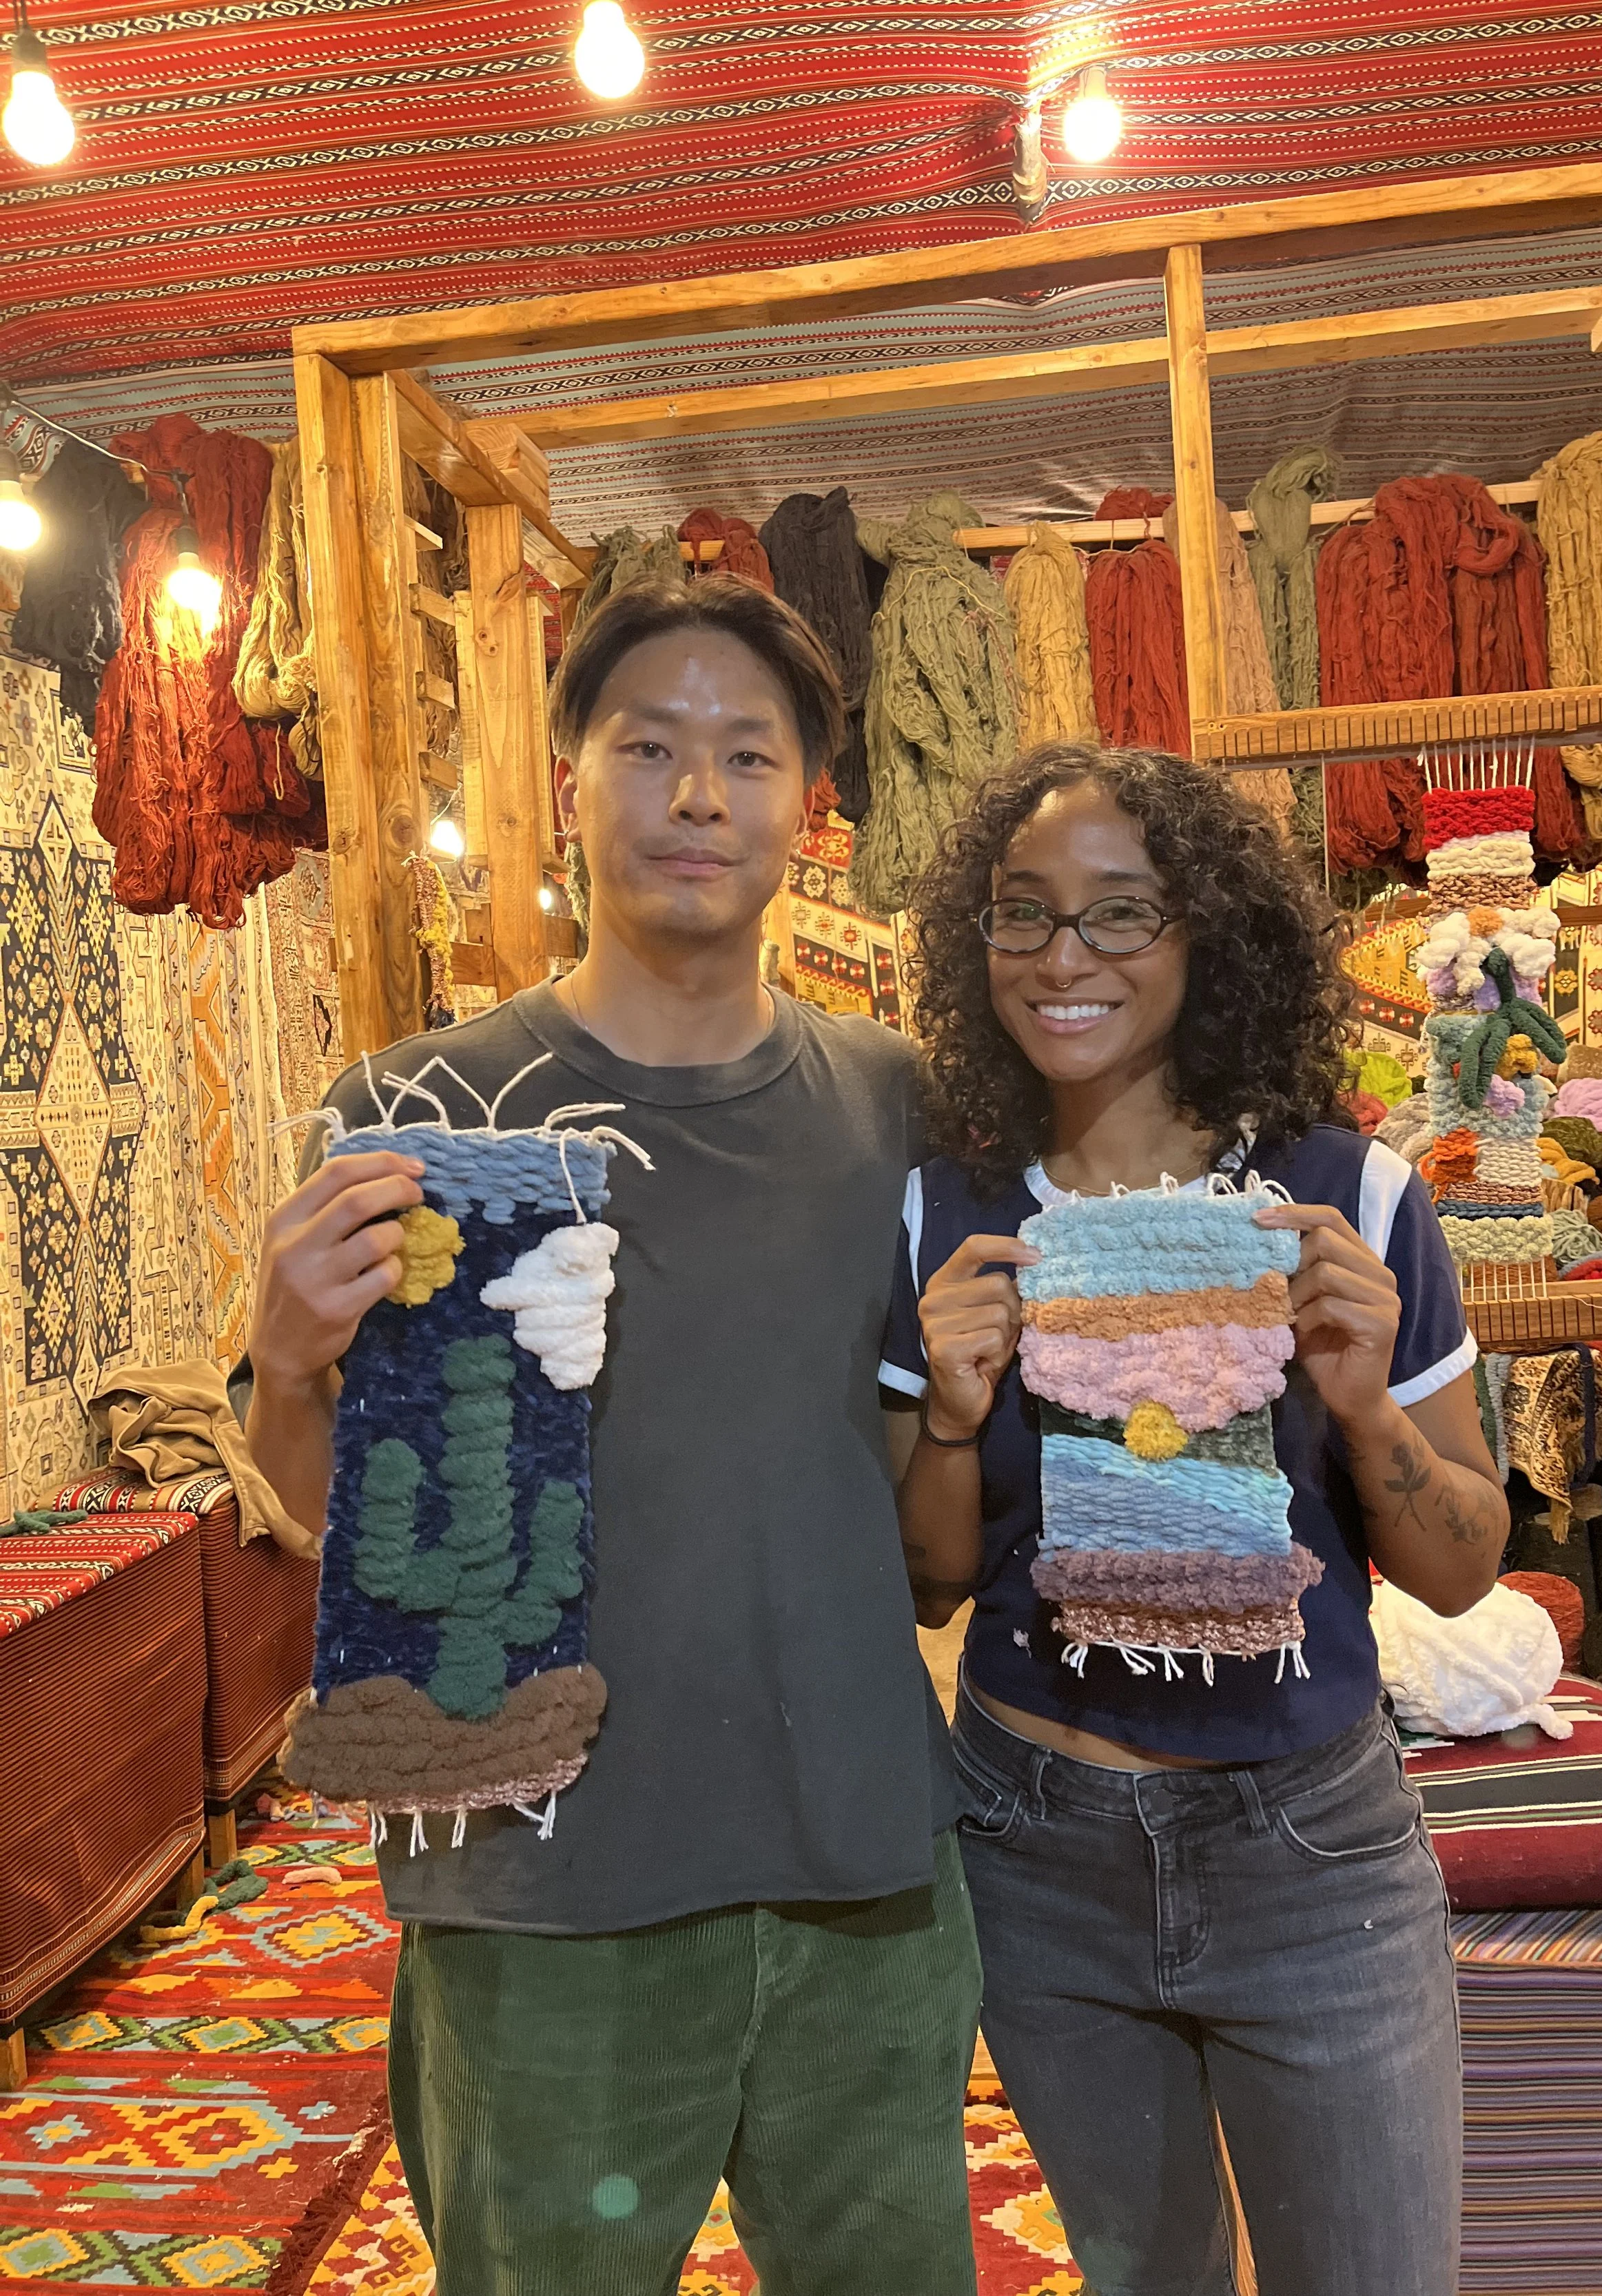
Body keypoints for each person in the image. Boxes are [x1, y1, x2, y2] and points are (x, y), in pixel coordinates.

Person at [245, 577, 980, 2296]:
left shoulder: (890, 1102)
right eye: (648, 747)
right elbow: (324, 1517)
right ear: (568, 775)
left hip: (858, 1860)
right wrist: (284, 1366)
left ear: (811, 805)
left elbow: (889, 1486)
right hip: (533, 1884)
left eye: (747, 754)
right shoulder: (421, 1109)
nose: (699, 796)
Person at [881, 741, 1508, 2296]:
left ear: (1201, 935)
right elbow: (934, 1579)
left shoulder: (1343, 1197)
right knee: (1142, 2276)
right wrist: (952, 1418)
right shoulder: (940, 1210)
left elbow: (1458, 1565)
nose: (1061, 960)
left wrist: (1363, 1410)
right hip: (1035, 1846)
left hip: (1308, 1853)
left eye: (1118, 916)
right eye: (1020, 915)